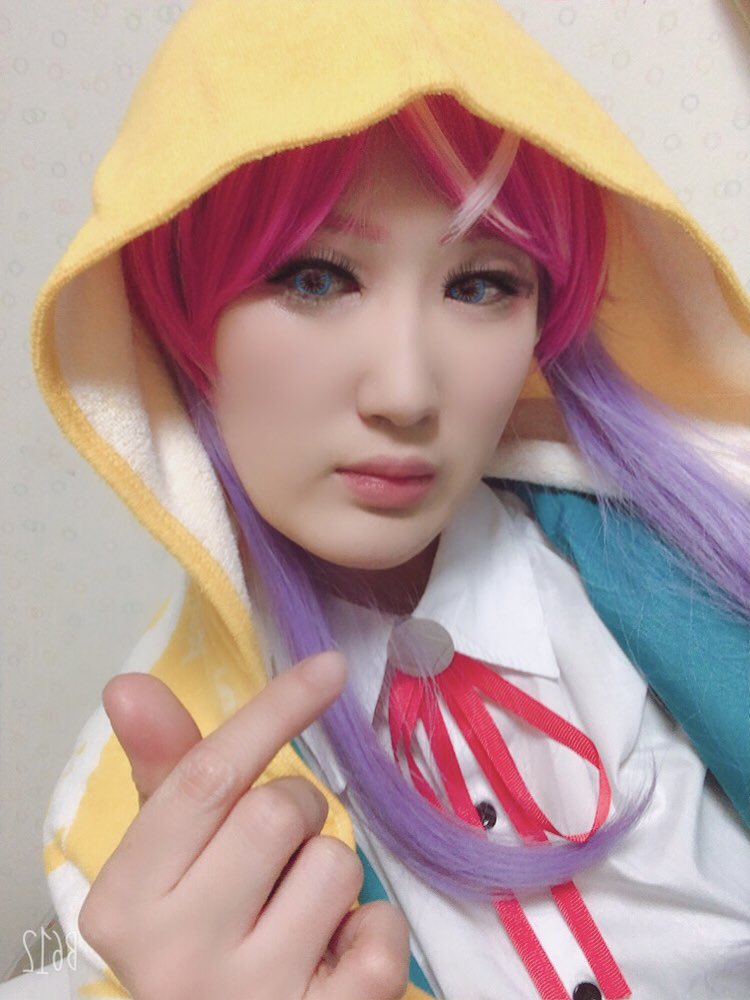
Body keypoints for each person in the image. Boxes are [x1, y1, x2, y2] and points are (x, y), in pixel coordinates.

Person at [10, 0, 750, 997]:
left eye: (482, 284)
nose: (405, 393)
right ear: (175, 312)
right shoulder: (125, 832)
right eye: (315, 277)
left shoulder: (698, 554)